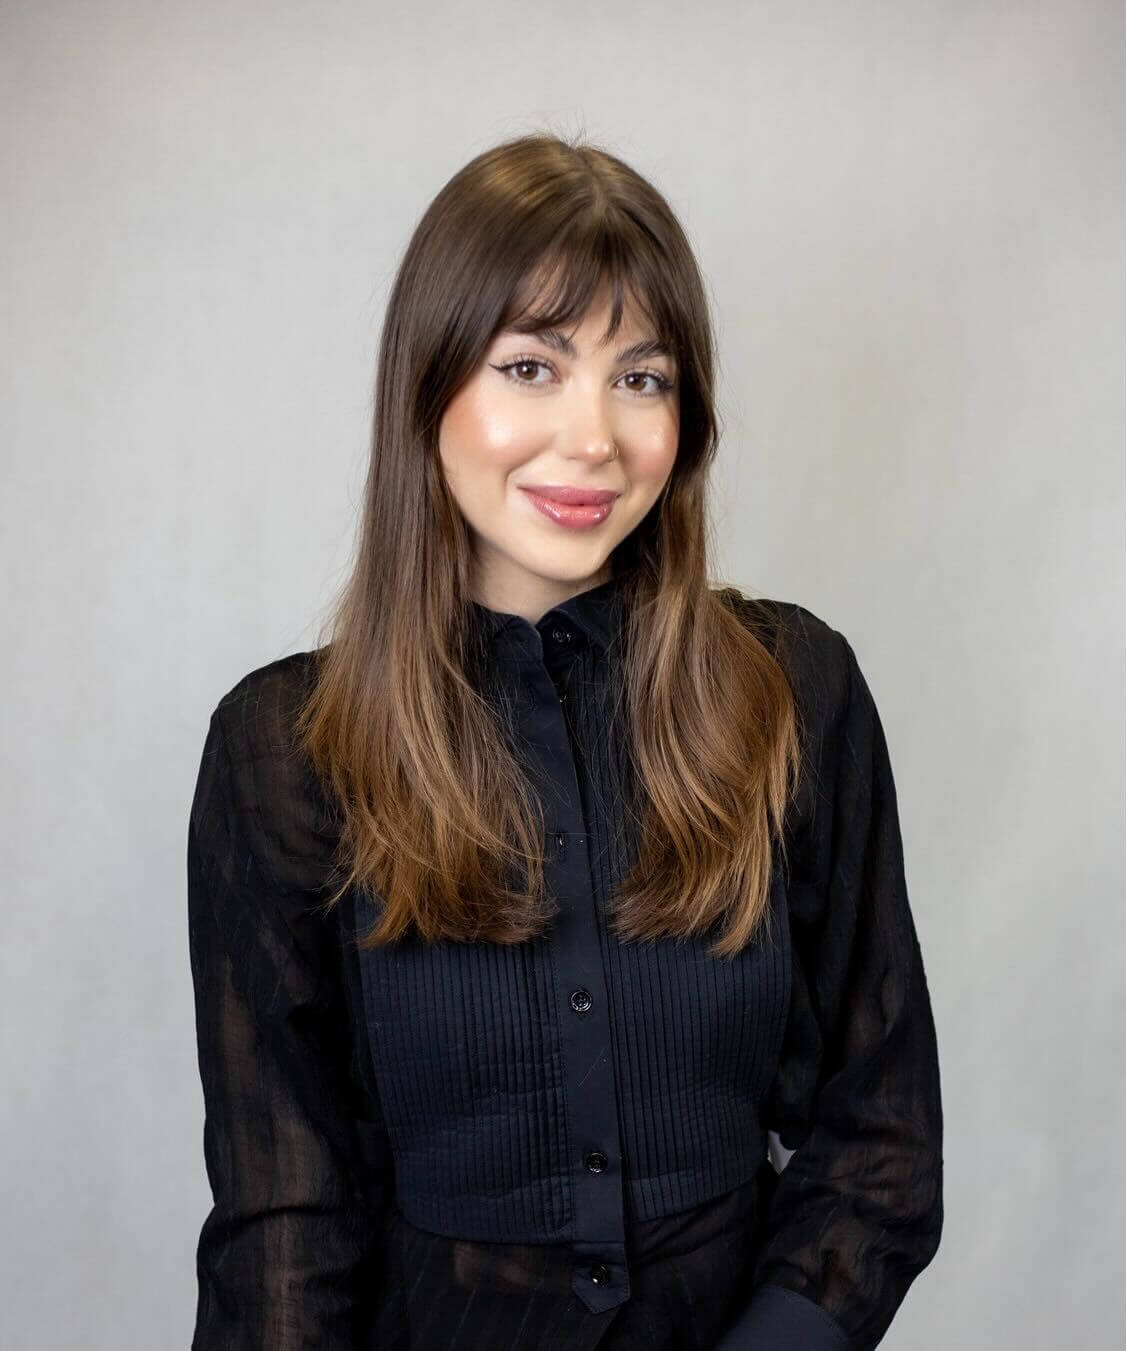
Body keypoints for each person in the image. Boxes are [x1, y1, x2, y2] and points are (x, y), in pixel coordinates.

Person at [186, 132, 943, 1351]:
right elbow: (284, 1218)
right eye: (531, 366)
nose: (594, 437)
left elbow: (881, 1142)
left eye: (641, 378)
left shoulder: (794, 689)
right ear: (428, 387)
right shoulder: (283, 749)